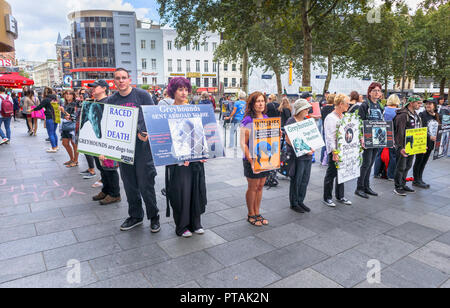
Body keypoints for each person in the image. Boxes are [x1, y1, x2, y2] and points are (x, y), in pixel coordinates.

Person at [109, 68, 160, 232]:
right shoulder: (111, 100)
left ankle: (154, 217)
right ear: (114, 81)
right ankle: (136, 216)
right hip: (123, 148)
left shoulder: (142, 95)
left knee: (146, 184)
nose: (121, 80)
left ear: (129, 79)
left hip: (143, 148)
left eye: (124, 77)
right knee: (129, 184)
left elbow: (152, 116)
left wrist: (145, 132)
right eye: (118, 78)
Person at [164, 77, 207, 237]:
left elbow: (200, 132)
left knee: (196, 189)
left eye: (185, 89)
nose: (183, 92)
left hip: (195, 157)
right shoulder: (167, 111)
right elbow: (166, 136)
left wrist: (203, 152)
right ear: (173, 91)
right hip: (178, 159)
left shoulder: (193, 109)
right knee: (182, 191)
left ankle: (196, 223)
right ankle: (182, 226)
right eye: (179, 89)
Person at [87, 80, 122, 205]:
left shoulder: (109, 102)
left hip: (107, 142)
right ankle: (106, 190)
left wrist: (107, 147)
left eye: (95, 87)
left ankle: (115, 194)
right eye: (92, 87)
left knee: (110, 168)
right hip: (96, 141)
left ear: (104, 88)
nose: (92, 89)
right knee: (102, 167)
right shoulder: (94, 102)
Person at [240, 92, 271, 226]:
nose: (260, 104)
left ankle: (257, 212)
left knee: (260, 186)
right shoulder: (247, 120)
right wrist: (251, 162)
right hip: (251, 158)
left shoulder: (266, 117)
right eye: (257, 101)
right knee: (252, 186)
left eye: (262, 101)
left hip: (264, 158)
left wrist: (277, 134)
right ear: (252, 104)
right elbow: (243, 143)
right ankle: (250, 214)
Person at [354, 82, 384, 199]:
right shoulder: (365, 105)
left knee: (371, 163)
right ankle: (359, 187)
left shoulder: (380, 105)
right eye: (374, 90)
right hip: (367, 138)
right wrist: (362, 137)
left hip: (377, 137)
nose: (377, 93)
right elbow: (359, 121)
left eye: (379, 91)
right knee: (366, 163)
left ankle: (366, 186)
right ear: (369, 92)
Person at [323, 94, 353, 207]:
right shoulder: (331, 118)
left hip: (344, 150)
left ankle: (340, 196)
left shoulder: (343, 116)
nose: (348, 106)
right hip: (335, 150)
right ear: (340, 104)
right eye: (347, 104)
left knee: (342, 173)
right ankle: (327, 197)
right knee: (331, 174)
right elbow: (330, 137)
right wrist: (334, 152)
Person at [285, 99, 314, 213]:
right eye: (306, 108)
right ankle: (294, 203)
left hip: (307, 155)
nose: (308, 110)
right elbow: (288, 139)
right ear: (300, 109)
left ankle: (301, 201)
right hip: (297, 156)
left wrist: (311, 147)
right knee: (297, 179)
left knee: (305, 179)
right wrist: (303, 149)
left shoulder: (306, 120)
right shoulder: (291, 121)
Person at [393, 95, 423, 196]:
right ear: (411, 103)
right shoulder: (403, 115)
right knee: (401, 166)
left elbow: (419, 131)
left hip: (412, 145)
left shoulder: (416, 115)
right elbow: (399, 132)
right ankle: (398, 186)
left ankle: (403, 183)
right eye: (418, 103)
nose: (420, 104)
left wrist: (421, 145)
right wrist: (400, 147)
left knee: (408, 165)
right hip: (404, 146)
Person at [412, 98, 440, 189]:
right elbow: (419, 129)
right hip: (422, 142)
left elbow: (438, 128)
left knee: (424, 161)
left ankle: (419, 178)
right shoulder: (422, 115)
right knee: (419, 160)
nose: (428, 105)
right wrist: (429, 137)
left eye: (430, 104)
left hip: (431, 143)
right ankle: (416, 180)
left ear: (435, 106)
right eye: (427, 104)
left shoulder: (436, 116)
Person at [373, 94, 400, 180]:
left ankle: (376, 173)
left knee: (378, 154)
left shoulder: (383, 110)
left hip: (380, 133)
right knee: (393, 156)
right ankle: (390, 175)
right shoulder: (398, 111)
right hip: (392, 135)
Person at [30, 87, 59, 153]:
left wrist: (32, 109)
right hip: (56, 117)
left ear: (45, 92)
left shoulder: (46, 99)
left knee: (50, 133)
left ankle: (53, 147)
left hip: (50, 117)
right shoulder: (55, 98)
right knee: (54, 132)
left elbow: (39, 107)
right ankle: (56, 146)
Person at [60, 89, 79, 168]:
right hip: (65, 126)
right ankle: (71, 159)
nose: (68, 95)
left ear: (73, 95)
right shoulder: (65, 104)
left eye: (70, 94)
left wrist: (63, 111)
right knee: (65, 143)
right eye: (66, 94)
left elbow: (74, 117)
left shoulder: (75, 104)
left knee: (74, 144)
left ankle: (75, 161)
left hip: (73, 126)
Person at [320, 94, 336, 166]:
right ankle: (328, 159)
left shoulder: (324, 108)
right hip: (331, 127)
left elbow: (321, 117)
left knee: (324, 143)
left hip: (324, 126)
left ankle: (322, 159)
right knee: (330, 144)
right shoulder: (333, 108)